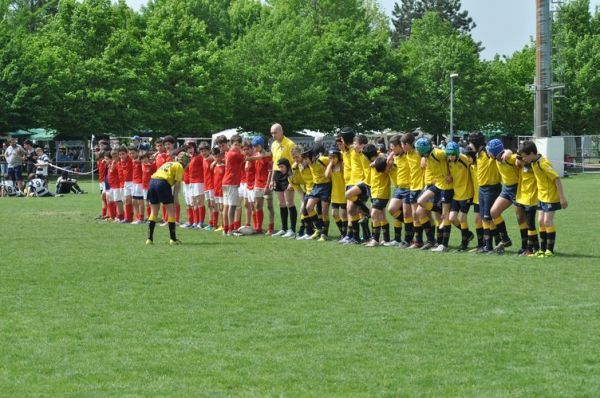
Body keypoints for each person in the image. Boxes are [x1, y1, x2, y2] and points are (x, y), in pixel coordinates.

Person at [518, 140, 568, 257]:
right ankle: (542, 249)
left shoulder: (543, 163)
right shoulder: (533, 162)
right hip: (541, 197)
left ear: (531, 154)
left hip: (550, 197)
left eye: (525, 157)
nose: (523, 159)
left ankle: (549, 250)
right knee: (540, 221)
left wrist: (562, 197)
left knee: (547, 221)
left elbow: (556, 179)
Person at [146, 150, 192, 245]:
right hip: (162, 183)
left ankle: (149, 239)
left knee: (154, 212)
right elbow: (177, 185)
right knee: (171, 212)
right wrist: (175, 199)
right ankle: (173, 239)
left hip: (152, 182)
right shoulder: (179, 166)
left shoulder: (169, 163)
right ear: (185, 162)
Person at [268, 123, 297, 237]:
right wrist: (271, 179)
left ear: (281, 131)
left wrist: (291, 177)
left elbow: (294, 161)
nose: (273, 135)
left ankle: (292, 229)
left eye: (275, 132)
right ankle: (284, 228)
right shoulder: (274, 144)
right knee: (281, 203)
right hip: (277, 175)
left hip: (287, 174)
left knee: (289, 202)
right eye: (271, 133)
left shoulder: (290, 144)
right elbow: (274, 162)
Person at [446, 141, 475, 251]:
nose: (451, 157)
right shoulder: (448, 161)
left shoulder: (464, 159)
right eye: (449, 154)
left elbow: (474, 160)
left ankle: (464, 243)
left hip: (467, 194)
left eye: (453, 154)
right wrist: (449, 177)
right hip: (456, 194)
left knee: (462, 218)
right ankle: (467, 234)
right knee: (452, 218)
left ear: (457, 153)